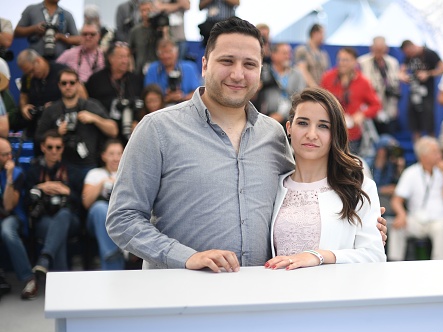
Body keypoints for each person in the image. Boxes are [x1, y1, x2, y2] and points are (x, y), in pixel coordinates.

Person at [106, 17, 386, 271]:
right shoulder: (157, 129)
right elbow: (123, 218)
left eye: (249, 64)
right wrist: (186, 256)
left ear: (261, 70)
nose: (238, 74)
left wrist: (360, 223)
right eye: (227, 61)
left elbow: (300, 196)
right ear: (204, 65)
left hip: (258, 302)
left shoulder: (273, 134)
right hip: (180, 299)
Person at [266, 88, 385, 269]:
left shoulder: (359, 188)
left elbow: (374, 255)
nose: (311, 134)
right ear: (289, 128)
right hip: (280, 293)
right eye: (303, 123)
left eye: (323, 126)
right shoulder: (272, 186)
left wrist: (318, 256)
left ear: (334, 134)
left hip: (334, 293)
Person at [35, 68, 118, 171]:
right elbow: (38, 138)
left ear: (78, 84)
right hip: (60, 166)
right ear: (59, 85)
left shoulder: (91, 106)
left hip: (88, 164)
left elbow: (113, 131)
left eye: (72, 83)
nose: (68, 86)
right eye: (64, 83)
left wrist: (94, 118)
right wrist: (56, 133)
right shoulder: (51, 110)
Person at [25, 130, 84, 274]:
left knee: (63, 216)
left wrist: (67, 192)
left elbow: (83, 205)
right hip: (44, 218)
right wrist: (39, 188)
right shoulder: (33, 172)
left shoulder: (72, 171)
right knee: (57, 232)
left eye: (58, 147)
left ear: (63, 148)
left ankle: (45, 258)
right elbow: (25, 202)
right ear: (43, 147)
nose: (54, 151)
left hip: (70, 219)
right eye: (50, 147)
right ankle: (61, 282)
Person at [389, 136, 443, 261]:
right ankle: (394, 263)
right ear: (424, 156)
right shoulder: (411, 173)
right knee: (397, 227)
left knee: (441, 229)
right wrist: (401, 214)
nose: (440, 155)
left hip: (439, 218)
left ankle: (440, 267)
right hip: (416, 218)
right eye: (435, 152)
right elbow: (396, 200)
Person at [321, 47, 381, 155]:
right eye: (339, 60)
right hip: (329, 132)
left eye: (346, 60)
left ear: (354, 62)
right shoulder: (328, 78)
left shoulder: (363, 82)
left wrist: (362, 115)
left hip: (352, 135)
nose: (341, 63)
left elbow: (376, 105)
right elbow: (320, 102)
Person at [0, 138, 37, 300]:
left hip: (13, 217)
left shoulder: (17, 173)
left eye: (11, 153)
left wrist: (8, 179)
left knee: (7, 231)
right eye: (4, 155)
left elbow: (9, 206)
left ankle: (29, 278)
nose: (10, 158)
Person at [86, 42, 145, 143]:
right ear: (110, 58)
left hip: (131, 130)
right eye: (121, 57)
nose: (125, 61)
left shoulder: (136, 80)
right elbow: (90, 104)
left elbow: (142, 104)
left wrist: (138, 122)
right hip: (104, 130)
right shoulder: (96, 80)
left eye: (127, 57)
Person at [82, 140, 125, 270]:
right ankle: (112, 254)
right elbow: (86, 202)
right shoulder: (95, 174)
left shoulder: (130, 174)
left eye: (119, 153)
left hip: (122, 217)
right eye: (111, 154)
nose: (116, 158)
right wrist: (102, 184)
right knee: (100, 208)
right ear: (104, 156)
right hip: (97, 219)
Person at [17, 49, 71, 139]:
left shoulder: (62, 72)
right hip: (37, 126)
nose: (31, 75)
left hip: (60, 123)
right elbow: (24, 95)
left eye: (32, 71)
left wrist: (56, 106)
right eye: (28, 73)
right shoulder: (27, 78)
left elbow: (77, 95)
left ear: (38, 60)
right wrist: (24, 107)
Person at [399, 40, 443, 142]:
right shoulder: (408, 56)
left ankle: (431, 151)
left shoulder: (429, 53)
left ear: (413, 46)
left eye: (409, 52)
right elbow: (401, 71)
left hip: (427, 97)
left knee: (429, 126)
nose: (409, 55)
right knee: (415, 128)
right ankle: (418, 153)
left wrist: (428, 74)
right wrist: (403, 77)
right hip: (414, 96)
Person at [357, 36, 401, 135]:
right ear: (371, 48)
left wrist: (395, 106)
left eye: (382, 50)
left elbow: (396, 86)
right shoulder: (362, 62)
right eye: (377, 50)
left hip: (388, 107)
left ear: (387, 49)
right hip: (369, 108)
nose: (379, 53)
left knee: (388, 138)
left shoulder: (393, 63)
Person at [254, 42, 306, 124]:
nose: (288, 56)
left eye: (290, 53)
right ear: (274, 55)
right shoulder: (263, 72)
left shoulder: (297, 75)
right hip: (263, 117)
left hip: (289, 119)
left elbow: (300, 99)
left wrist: (282, 115)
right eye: (284, 53)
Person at [14, 0, 80, 60]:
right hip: (36, 59)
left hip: (59, 60)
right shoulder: (32, 10)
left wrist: (61, 37)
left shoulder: (66, 14)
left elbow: (78, 40)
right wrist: (34, 29)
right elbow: (17, 31)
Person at [144, 38, 200, 105]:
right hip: (160, 109)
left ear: (176, 52)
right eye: (162, 52)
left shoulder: (189, 68)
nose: (166, 56)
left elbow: (198, 93)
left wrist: (182, 97)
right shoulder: (152, 69)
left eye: (169, 52)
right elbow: (148, 96)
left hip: (186, 107)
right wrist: (165, 99)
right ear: (157, 54)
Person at [129, 0, 160, 75]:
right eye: (143, 10)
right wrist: (131, 66)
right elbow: (129, 50)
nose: (146, 13)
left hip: (157, 67)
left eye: (148, 10)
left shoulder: (159, 29)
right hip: (139, 68)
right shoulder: (135, 31)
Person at [294, 24, 330, 88]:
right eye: (322, 34)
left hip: (321, 91)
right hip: (308, 90)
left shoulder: (323, 54)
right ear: (314, 33)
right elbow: (302, 70)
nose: (323, 37)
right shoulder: (302, 50)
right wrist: (314, 87)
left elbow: (326, 72)